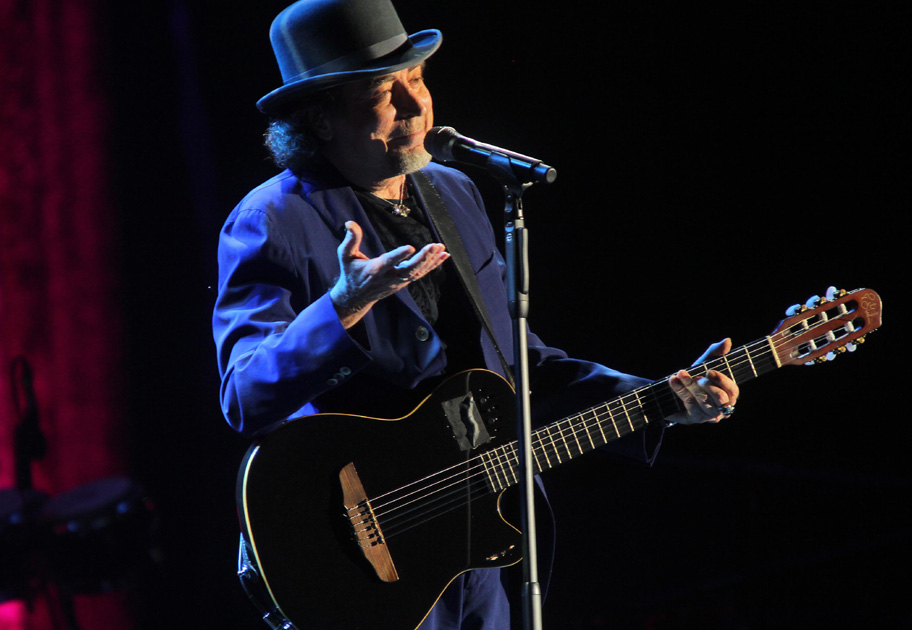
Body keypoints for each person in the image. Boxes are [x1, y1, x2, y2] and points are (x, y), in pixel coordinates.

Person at [212, 1, 740, 628]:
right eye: (385, 92)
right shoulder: (272, 220)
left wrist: (663, 399)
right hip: (366, 557)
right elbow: (245, 395)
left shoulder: (455, 190)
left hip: (478, 546)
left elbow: (517, 364)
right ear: (321, 119)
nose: (415, 107)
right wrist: (343, 305)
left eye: (419, 79)